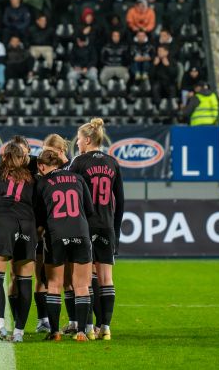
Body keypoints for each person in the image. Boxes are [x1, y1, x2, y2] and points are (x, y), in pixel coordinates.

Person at [69, 118, 125, 341]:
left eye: (79, 138)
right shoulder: (112, 163)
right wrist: (116, 232)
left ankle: (90, 327)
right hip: (107, 225)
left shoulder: (79, 162)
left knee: (87, 278)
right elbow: (120, 202)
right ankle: (106, 327)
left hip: (86, 225)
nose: (77, 143)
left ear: (87, 140)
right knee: (106, 278)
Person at [35, 149, 95, 342]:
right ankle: (81, 332)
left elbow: (39, 215)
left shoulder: (42, 182)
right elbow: (89, 210)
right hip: (80, 233)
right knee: (82, 285)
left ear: (42, 166)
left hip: (56, 235)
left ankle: (55, 332)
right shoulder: (78, 178)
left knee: (54, 284)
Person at [0, 142, 36, 343]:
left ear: (4, 156)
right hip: (28, 224)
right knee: (25, 280)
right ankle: (19, 332)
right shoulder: (31, 175)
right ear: (22, 157)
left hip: (4, 222)